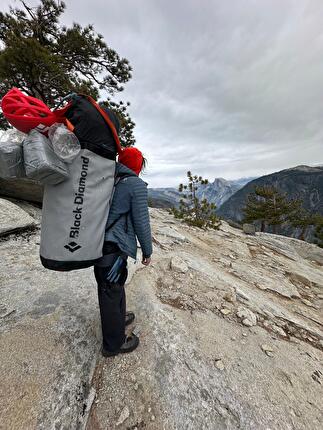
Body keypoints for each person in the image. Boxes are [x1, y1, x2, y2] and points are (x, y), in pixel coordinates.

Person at [94, 147, 152, 357]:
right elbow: (141, 222)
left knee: (113, 286)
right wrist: (147, 250)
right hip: (113, 247)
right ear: (137, 166)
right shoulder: (134, 185)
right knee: (111, 289)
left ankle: (118, 319)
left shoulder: (111, 179)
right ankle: (113, 344)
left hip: (99, 243)